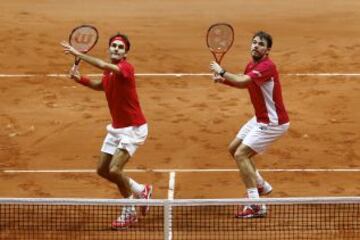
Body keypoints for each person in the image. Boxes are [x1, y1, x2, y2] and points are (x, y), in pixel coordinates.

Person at [60, 33, 152, 229]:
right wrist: (80, 79)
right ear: (109, 48)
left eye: (120, 47)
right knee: (102, 170)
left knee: (115, 169)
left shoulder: (125, 68)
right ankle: (141, 190)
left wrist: (79, 54)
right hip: (117, 128)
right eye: (114, 46)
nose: (116, 49)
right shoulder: (109, 74)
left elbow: (104, 66)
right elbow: (101, 86)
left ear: (125, 53)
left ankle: (129, 212)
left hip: (133, 128)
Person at [210, 31, 289, 218]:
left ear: (267, 50)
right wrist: (223, 81)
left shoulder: (267, 66)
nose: (255, 46)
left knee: (241, 155)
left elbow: (243, 79)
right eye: (254, 42)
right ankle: (261, 184)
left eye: (260, 44)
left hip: (273, 122)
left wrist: (222, 71)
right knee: (233, 149)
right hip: (260, 118)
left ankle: (255, 204)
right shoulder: (251, 65)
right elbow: (245, 84)